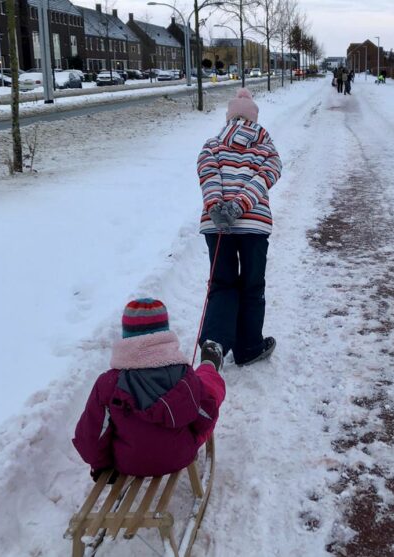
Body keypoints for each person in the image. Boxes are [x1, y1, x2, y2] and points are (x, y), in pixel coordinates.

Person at [73, 299, 226, 479]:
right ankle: (209, 366)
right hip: (179, 456)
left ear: (126, 336)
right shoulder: (184, 375)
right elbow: (205, 417)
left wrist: (101, 464)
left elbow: (91, 439)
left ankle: (208, 369)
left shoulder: (108, 384)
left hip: (129, 462)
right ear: (164, 335)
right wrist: (193, 435)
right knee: (208, 390)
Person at [197, 88, 282, 366]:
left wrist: (216, 206)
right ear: (253, 119)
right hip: (254, 226)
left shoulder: (212, 144)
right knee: (252, 285)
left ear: (229, 117)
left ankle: (214, 343)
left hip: (217, 227)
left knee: (222, 283)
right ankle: (249, 347)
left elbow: (208, 174)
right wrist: (241, 205)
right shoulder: (266, 146)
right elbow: (267, 175)